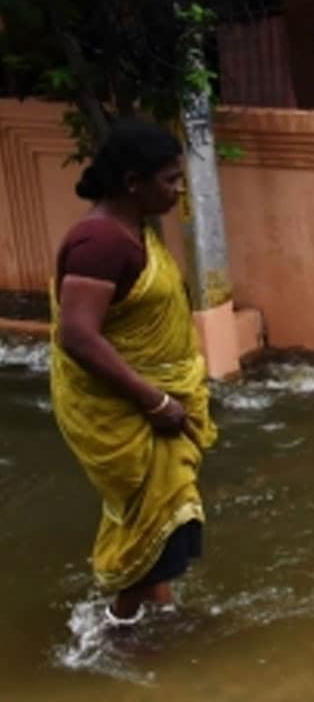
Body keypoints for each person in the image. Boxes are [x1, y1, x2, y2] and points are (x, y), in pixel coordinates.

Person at [49, 119, 217, 625]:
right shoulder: (100, 244)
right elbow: (77, 335)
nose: (177, 189)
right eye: (169, 179)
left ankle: (158, 615)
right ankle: (121, 630)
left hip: (150, 398)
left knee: (162, 512)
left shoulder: (131, 232)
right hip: (126, 409)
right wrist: (155, 400)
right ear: (131, 183)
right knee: (151, 514)